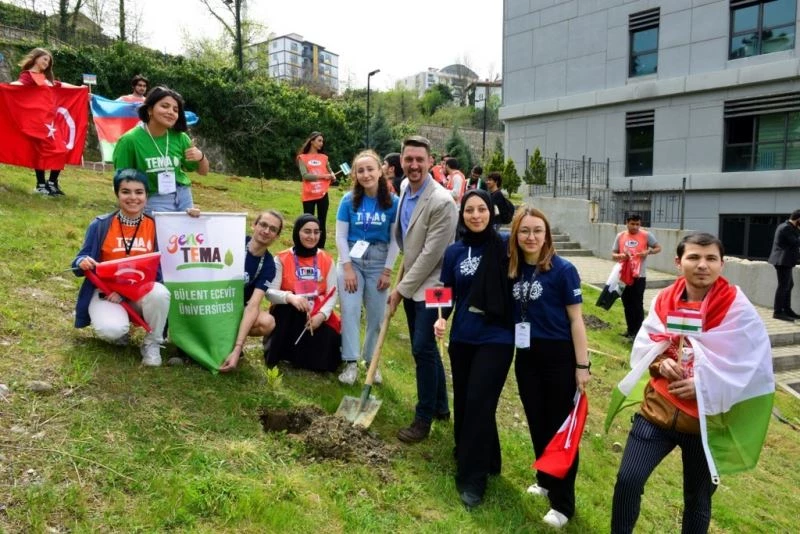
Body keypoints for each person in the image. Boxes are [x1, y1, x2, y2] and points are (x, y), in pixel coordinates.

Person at [610, 232, 774, 534]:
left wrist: (701, 383)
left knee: (697, 500)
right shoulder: (664, 299)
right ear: (678, 262)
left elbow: (750, 366)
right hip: (657, 412)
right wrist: (661, 363)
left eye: (711, 258)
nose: (702, 265)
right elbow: (648, 343)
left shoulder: (738, 309)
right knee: (628, 482)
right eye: (694, 257)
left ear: (722, 264)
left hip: (703, 423)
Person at [509, 206, 591, 529]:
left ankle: (563, 503)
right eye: (525, 231)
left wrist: (582, 365)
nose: (531, 237)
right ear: (516, 234)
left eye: (537, 231)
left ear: (547, 235)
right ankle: (544, 479)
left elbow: (576, 320)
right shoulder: (513, 268)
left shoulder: (563, 270)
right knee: (537, 422)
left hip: (559, 357)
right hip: (526, 356)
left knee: (560, 430)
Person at [433, 189, 513, 509]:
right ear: (462, 215)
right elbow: (443, 291)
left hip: (497, 338)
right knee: (466, 401)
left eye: (482, 209)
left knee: (480, 400)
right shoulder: (454, 252)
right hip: (463, 337)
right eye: (469, 210)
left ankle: (472, 478)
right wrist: (439, 318)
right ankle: (489, 458)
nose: (476, 215)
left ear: (492, 212)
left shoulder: (506, 246)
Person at [387, 135, 458, 443]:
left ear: (431, 162)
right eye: (408, 159)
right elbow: (408, 241)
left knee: (421, 348)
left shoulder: (442, 202)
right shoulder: (404, 188)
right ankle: (442, 407)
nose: (414, 165)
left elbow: (431, 255)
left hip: (436, 286)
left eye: (420, 159)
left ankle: (423, 418)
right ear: (402, 161)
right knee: (426, 349)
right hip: (413, 280)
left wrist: (400, 290)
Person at [71, 169, 171, 366]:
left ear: (146, 196)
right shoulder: (100, 225)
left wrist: (193, 217)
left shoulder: (156, 226)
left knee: (160, 294)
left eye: (139, 192)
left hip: (140, 291)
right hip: (106, 293)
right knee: (112, 330)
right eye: (126, 191)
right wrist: (81, 262)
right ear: (117, 194)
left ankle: (152, 344)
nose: (133, 197)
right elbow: (79, 262)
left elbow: (160, 271)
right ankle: (120, 331)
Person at [336, 150, 400, 385]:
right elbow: (340, 236)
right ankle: (350, 362)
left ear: (380, 171)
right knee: (351, 311)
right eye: (360, 170)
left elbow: (395, 240)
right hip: (351, 259)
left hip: (379, 260)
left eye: (370, 169)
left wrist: (387, 270)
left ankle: (371, 360)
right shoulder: (348, 199)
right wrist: (347, 268)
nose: (366, 174)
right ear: (355, 174)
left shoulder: (393, 202)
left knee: (376, 316)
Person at [112, 86, 209, 213]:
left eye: (175, 110)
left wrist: (201, 157)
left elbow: (203, 172)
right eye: (165, 106)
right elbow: (121, 181)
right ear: (150, 109)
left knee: (186, 234)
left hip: (183, 195)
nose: (171, 112)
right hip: (152, 198)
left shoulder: (180, 138)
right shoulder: (129, 140)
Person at [264, 214, 341, 372]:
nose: (312, 236)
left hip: (316, 311)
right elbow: (269, 292)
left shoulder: (327, 259)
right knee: (289, 313)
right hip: (290, 310)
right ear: (297, 232)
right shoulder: (282, 258)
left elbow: (333, 292)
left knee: (328, 343)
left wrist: (321, 316)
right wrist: (290, 297)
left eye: (316, 232)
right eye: (307, 231)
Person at [219, 210, 284, 372]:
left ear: (276, 237)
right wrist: (194, 219)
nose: (266, 231)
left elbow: (254, 305)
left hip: (236, 310)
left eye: (273, 229)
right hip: (213, 302)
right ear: (253, 225)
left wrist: (238, 347)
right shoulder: (234, 241)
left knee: (267, 323)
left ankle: (232, 345)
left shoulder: (269, 265)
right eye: (263, 225)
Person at [16, 47, 66, 197]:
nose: (46, 63)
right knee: (41, 152)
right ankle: (40, 185)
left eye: (48, 61)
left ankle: (51, 183)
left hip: (50, 121)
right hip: (38, 122)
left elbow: (60, 86)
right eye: (44, 59)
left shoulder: (45, 79)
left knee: (60, 150)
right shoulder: (28, 76)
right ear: (36, 58)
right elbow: (17, 86)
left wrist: (82, 90)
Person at [612, 213, 661, 338]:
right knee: (626, 303)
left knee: (637, 304)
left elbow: (658, 248)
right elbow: (613, 254)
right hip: (623, 275)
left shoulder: (646, 235)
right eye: (632, 224)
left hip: (639, 275)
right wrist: (621, 256)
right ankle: (630, 330)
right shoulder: (620, 236)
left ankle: (639, 334)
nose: (635, 227)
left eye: (637, 224)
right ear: (627, 223)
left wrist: (648, 251)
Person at [297, 131, 336, 249]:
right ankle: (305, 245)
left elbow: (330, 171)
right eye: (319, 140)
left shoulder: (324, 158)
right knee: (307, 221)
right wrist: (323, 176)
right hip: (309, 194)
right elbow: (305, 176)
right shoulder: (302, 158)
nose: (321, 143)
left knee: (322, 221)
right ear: (312, 141)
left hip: (323, 194)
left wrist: (332, 175)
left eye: (322, 141)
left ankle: (320, 248)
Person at [767, 209, 800, 321]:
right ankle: (778, 312)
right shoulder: (786, 227)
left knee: (789, 285)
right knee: (783, 286)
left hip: (786, 261)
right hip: (782, 261)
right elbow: (795, 242)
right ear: (798, 219)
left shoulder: (790, 227)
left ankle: (787, 309)